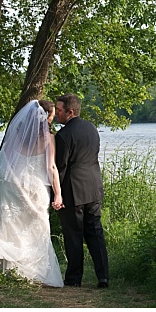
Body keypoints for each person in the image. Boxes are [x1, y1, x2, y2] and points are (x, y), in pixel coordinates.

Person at [0, 94, 64, 288]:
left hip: (14, 186)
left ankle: (11, 270)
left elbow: (5, 164)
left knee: (12, 227)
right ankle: (35, 272)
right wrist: (58, 194)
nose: (52, 119)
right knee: (38, 228)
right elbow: (51, 168)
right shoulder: (49, 138)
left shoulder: (16, 134)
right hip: (36, 188)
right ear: (46, 117)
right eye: (51, 116)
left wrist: (2, 187)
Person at [53, 94, 109, 292]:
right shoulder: (92, 128)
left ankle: (74, 278)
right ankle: (103, 276)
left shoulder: (64, 135)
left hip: (72, 190)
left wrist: (55, 191)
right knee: (95, 232)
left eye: (59, 110)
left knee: (74, 234)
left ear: (70, 112)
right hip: (94, 186)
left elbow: (60, 166)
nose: (56, 113)